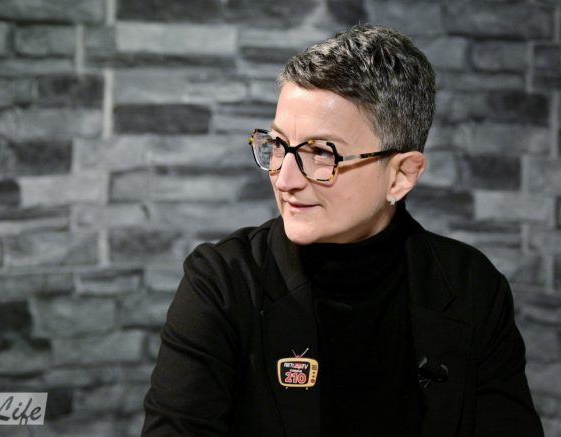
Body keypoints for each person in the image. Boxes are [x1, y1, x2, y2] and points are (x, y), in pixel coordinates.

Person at [141, 24, 544, 436]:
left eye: (320, 152)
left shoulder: (473, 287)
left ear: (402, 176)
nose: (285, 180)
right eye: (278, 145)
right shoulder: (221, 283)